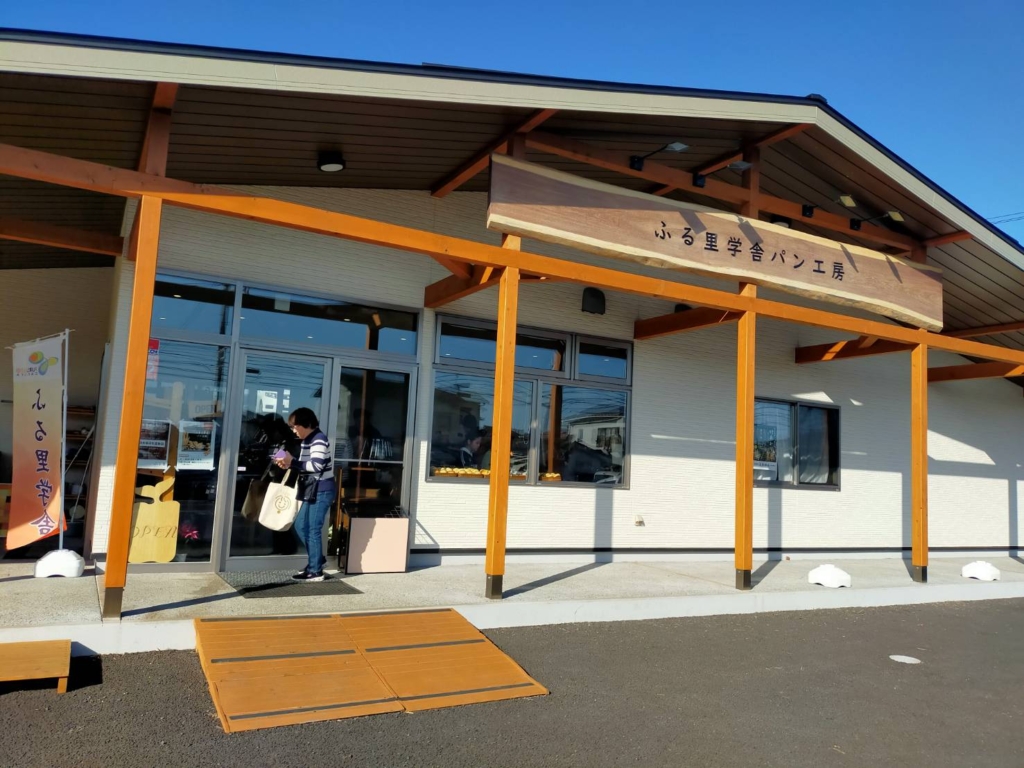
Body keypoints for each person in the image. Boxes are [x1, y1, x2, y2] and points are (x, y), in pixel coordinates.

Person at [274, 407, 336, 581]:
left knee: (312, 528)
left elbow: (316, 466)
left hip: (321, 489)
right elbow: (306, 465)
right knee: (301, 525)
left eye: (295, 426)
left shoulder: (318, 439)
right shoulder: (308, 439)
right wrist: (289, 463)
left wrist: (292, 461)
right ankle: (318, 561)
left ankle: (316, 571)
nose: (293, 430)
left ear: (306, 424)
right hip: (312, 488)